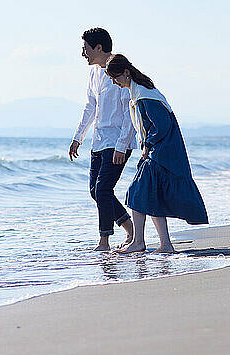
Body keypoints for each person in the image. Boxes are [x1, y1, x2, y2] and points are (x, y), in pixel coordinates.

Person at [105, 54, 208, 253]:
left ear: (126, 73)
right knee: (149, 195)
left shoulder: (144, 95)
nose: (114, 82)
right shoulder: (140, 92)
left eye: (115, 77)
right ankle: (165, 245)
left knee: (137, 193)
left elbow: (161, 125)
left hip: (161, 152)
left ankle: (139, 243)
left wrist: (147, 144)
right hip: (160, 151)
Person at [68, 28, 137, 251]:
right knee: (95, 191)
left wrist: (122, 144)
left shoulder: (118, 70)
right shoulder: (94, 74)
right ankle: (131, 230)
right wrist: (78, 137)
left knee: (103, 190)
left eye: (85, 48)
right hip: (99, 141)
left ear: (98, 48)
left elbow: (129, 111)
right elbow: (90, 106)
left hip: (117, 141)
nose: (83, 53)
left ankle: (104, 241)